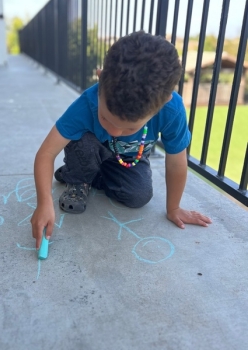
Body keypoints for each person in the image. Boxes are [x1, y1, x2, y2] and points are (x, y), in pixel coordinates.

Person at [31, 30, 212, 249]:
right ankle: (78, 178)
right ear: (100, 78)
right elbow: (46, 153)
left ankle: (77, 172)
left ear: (163, 103)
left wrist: (174, 208)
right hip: (91, 149)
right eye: (105, 118)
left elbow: (176, 161)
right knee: (84, 143)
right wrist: (44, 202)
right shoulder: (87, 102)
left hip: (127, 157)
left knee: (138, 197)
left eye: (130, 127)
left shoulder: (171, 109)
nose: (115, 132)